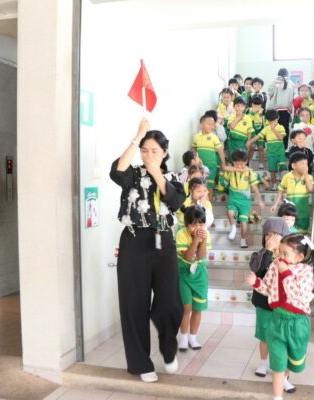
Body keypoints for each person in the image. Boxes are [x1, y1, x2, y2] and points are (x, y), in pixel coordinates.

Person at [109, 118, 186, 383]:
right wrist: (137, 135)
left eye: (154, 151)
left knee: (171, 303)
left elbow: (175, 201)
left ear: (164, 153)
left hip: (164, 242)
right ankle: (141, 363)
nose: (148, 155)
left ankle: (168, 348)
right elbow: (117, 172)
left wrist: (157, 175)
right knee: (134, 304)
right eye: (144, 150)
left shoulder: (174, 178)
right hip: (133, 242)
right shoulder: (132, 175)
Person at [246, 234, 314, 400]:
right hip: (276, 320)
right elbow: (268, 288)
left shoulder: (306, 272)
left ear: (299, 257)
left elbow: (296, 294)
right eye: (279, 252)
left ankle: (285, 378)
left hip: (297, 323)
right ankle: (277, 396)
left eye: (285, 253)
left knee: (293, 358)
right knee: (278, 361)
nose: (280, 256)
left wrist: (285, 272)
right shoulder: (274, 266)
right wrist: (256, 283)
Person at [249, 218, 291, 387]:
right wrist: (267, 251)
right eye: (268, 235)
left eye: (276, 235)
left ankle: (281, 372)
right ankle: (263, 363)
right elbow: (258, 271)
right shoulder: (258, 255)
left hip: (282, 307)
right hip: (263, 304)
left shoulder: (289, 257)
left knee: (282, 339)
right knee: (264, 336)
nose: (272, 239)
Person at [176, 205, 212, 352]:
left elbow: (201, 256)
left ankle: (193, 337)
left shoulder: (206, 233)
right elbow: (188, 257)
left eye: (201, 224)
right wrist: (196, 240)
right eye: (193, 224)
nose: (198, 227)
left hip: (200, 274)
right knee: (187, 308)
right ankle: (183, 338)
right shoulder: (181, 233)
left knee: (198, 309)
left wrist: (203, 239)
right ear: (187, 225)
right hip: (183, 273)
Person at [222, 149, 265, 248]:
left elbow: (255, 187)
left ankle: (243, 240)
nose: (239, 166)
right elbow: (225, 173)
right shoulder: (231, 171)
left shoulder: (250, 173)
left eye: (241, 164)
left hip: (245, 201)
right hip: (233, 198)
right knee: (230, 213)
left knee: (243, 221)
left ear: (246, 162)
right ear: (233, 162)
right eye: (236, 164)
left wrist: (260, 200)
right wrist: (231, 169)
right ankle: (233, 228)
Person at [271, 153, 314, 234]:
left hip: (303, 212)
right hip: (291, 213)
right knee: (291, 232)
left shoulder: (309, 177)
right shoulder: (287, 177)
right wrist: (276, 204)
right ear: (294, 166)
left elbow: (310, 188)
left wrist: (305, 175)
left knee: (302, 233)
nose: (305, 166)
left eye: (306, 164)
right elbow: (280, 190)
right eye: (302, 164)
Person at [247, 109, 286, 191]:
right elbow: (258, 136)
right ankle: (274, 184)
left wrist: (273, 129)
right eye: (270, 121)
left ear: (278, 118)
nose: (272, 123)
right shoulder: (266, 128)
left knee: (283, 167)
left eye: (274, 120)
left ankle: (283, 181)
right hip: (271, 153)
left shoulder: (281, 127)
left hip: (280, 152)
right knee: (272, 170)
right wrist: (250, 142)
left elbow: (281, 138)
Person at [192, 113, 227, 199]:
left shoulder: (214, 137)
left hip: (211, 165)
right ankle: (201, 205)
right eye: (209, 124)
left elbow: (220, 150)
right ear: (201, 125)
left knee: (209, 186)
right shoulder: (197, 137)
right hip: (200, 166)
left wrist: (223, 162)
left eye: (213, 125)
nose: (212, 126)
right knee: (200, 186)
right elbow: (193, 149)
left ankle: (209, 205)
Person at [267, 68, 295, 149]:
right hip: (286, 111)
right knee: (284, 131)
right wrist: (290, 113)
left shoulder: (275, 81)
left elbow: (270, 93)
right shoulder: (291, 83)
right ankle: (284, 149)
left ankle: (274, 148)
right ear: (287, 74)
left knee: (273, 129)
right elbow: (292, 99)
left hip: (275, 111)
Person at [247, 94, 266, 168]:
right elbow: (248, 120)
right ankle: (248, 162)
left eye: (258, 105)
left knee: (261, 148)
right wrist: (254, 113)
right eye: (254, 105)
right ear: (252, 104)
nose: (256, 107)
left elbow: (265, 123)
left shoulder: (263, 111)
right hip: (252, 132)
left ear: (261, 105)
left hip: (261, 132)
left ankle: (261, 163)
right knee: (252, 146)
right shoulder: (248, 110)